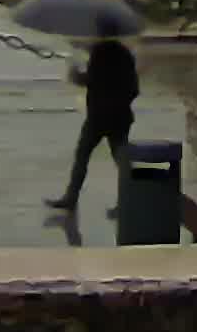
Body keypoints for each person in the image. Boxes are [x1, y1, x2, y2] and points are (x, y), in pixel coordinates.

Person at [49, 32, 138, 215]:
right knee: (121, 161)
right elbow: (134, 89)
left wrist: (76, 76)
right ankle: (129, 201)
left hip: (99, 117)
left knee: (82, 156)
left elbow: (92, 80)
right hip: (120, 117)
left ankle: (71, 198)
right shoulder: (125, 54)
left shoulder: (100, 53)